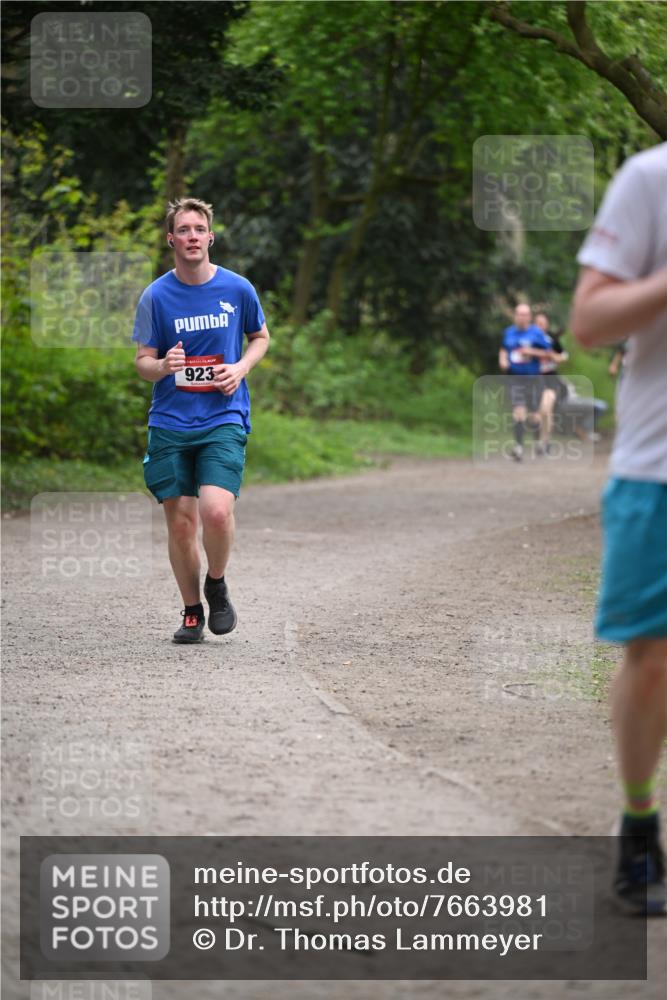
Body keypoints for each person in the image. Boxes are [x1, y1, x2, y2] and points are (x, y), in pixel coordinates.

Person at [571, 142, 667, 914]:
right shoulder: (650, 178)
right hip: (657, 468)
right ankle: (640, 826)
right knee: (655, 657)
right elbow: (588, 321)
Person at [133, 197, 270, 643]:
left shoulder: (237, 289)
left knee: (215, 510)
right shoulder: (156, 295)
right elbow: (143, 363)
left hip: (223, 417)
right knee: (181, 523)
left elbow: (260, 337)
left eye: (199, 229)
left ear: (210, 237)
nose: (192, 237)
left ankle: (217, 582)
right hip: (171, 420)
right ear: (171, 239)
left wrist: (240, 368)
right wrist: (164, 366)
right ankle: (192, 612)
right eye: (183, 230)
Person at [498, 303, 555, 461]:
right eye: (519, 314)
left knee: (535, 415)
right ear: (515, 315)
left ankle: (537, 443)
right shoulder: (508, 332)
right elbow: (503, 349)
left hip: (533, 378)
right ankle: (518, 448)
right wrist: (502, 360)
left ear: (529, 317)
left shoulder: (536, 333)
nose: (521, 317)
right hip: (515, 378)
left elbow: (549, 353)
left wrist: (531, 351)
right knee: (518, 411)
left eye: (525, 314)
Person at [534, 312, 568, 454]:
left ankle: (544, 441)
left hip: (550, 378)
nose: (540, 325)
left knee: (546, 409)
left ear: (547, 324)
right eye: (537, 323)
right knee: (537, 414)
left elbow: (564, 356)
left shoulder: (552, 338)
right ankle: (540, 438)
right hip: (532, 379)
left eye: (542, 323)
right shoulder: (528, 338)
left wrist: (553, 356)